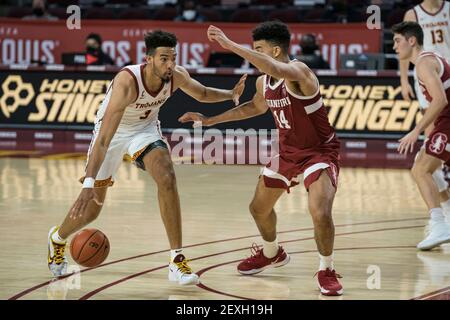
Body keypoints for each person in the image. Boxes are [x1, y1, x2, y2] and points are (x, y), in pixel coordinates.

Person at [47, 30, 247, 285]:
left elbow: (203, 93)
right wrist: (87, 184)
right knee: (91, 212)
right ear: (148, 58)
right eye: (164, 58)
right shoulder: (127, 81)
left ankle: (177, 260)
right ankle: (57, 238)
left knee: (166, 175)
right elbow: (104, 139)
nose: (170, 64)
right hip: (112, 134)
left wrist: (230, 95)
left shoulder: (176, 76)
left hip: (144, 131)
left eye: (173, 57)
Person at [179, 21, 343, 296]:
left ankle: (326, 268)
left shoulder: (299, 72)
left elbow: (277, 68)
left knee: (320, 212)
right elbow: (253, 107)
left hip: (319, 152)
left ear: (276, 50)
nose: (254, 54)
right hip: (287, 152)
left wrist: (229, 45)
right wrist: (209, 121)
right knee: (258, 209)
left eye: (259, 49)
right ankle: (272, 253)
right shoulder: (263, 81)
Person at [394, 21, 450, 250]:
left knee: (420, 169)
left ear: (412, 41)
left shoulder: (424, 63)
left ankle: (440, 224)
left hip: (448, 121)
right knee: (425, 165)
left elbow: (440, 101)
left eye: (398, 41)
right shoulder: (427, 60)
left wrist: (416, 131)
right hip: (444, 122)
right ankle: (445, 219)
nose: (395, 47)